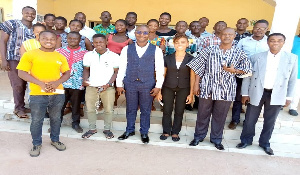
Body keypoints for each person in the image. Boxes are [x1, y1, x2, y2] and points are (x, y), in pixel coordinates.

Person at [188, 28, 252, 150]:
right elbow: (198, 67)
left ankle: (216, 139)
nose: (227, 36)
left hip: (226, 89)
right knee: (202, 113)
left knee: (220, 115)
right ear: (219, 36)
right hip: (207, 86)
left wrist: (235, 71)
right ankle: (198, 137)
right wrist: (196, 84)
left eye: (230, 34)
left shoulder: (239, 53)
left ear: (234, 36)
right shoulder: (209, 50)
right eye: (224, 34)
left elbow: (248, 70)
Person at [236, 33, 298, 155]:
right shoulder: (256, 57)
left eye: (279, 41)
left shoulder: (291, 58)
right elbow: (248, 77)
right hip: (257, 92)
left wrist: (289, 97)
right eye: (272, 40)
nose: (275, 43)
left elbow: (292, 79)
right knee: (250, 119)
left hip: (277, 93)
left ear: (283, 43)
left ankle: (265, 143)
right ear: (267, 42)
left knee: (270, 121)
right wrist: (244, 93)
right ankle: (246, 140)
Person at [17, 30, 70, 157]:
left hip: (57, 93)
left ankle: (55, 140)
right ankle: (36, 144)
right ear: (38, 40)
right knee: (36, 120)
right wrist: (40, 83)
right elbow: (21, 72)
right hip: (37, 93)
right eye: (45, 38)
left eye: (52, 39)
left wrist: (57, 82)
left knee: (56, 118)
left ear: (56, 41)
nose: (49, 41)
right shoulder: (30, 55)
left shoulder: (60, 56)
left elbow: (67, 73)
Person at [116, 25, 164, 143]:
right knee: (130, 109)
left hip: (147, 84)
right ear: (135, 33)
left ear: (149, 35)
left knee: (146, 109)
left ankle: (144, 132)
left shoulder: (156, 50)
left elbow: (160, 69)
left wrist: (158, 86)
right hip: (130, 83)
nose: (142, 35)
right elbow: (122, 67)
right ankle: (129, 130)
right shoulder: (127, 49)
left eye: (145, 33)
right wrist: (119, 83)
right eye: (139, 32)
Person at [228, 19, 270, 130]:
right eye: (257, 27)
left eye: (262, 28)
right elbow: (236, 55)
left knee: (255, 97)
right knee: (238, 97)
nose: (259, 30)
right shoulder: (244, 41)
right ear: (252, 28)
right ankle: (235, 119)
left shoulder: (269, 42)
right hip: (243, 73)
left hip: (261, 75)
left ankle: (248, 121)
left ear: (266, 29)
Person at [0, 6, 36, 119]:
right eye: (27, 13)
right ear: (22, 13)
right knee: (18, 84)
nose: (30, 15)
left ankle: (22, 106)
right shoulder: (12, 24)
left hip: (30, 61)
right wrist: (3, 60)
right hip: (14, 59)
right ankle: (18, 108)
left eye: (32, 13)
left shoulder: (35, 28)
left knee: (26, 84)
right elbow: (2, 41)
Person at [81, 34, 119, 139]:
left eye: (101, 42)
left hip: (107, 87)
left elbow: (116, 72)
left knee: (108, 109)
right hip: (92, 86)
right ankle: (92, 128)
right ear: (93, 43)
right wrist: (85, 80)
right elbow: (86, 69)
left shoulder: (114, 56)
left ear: (106, 42)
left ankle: (107, 129)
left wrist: (109, 84)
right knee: (90, 109)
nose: (98, 44)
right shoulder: (88, 55)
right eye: (96, 42)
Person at [157, 35, 195, 142]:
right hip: (168, 86)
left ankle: (175, 132)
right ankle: (166, 131)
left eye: (183, 42)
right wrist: (159, 91)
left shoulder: (191, 58)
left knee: (179, 110)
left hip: (184, 88)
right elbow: (162, 75)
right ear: (173, 44)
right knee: (167, 110)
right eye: (177, 42)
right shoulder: (167, 58)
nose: (180, 44)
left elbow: (192, 77)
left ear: (187, 44)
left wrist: (191, 93)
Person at [56, 32, 88, 133]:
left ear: (79, 40)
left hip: (77, 83)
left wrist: (84, 80)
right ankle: (56, 123)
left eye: (75, 39)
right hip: (61, 82)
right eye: (70, 38)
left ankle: (75, 124)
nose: (72, 40)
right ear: (66, 39)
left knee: (76, 104)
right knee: (59, 104)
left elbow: (87, 68)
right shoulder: (59, 52)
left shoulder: (85, 53)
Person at [289, 31, 300, 116]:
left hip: (299, 71)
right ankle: (281, 103)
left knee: (296, 90)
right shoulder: (293, 39)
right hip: (288, 67)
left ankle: (293, 107)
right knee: (283, 86)